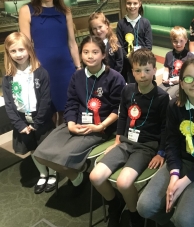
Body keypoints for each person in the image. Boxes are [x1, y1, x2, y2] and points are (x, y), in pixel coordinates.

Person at [137, 58, 194, 227]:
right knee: (144, 207)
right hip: (180, 161)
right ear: (181, 83)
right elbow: (171, 142)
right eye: (188, 78)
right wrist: (174, 175)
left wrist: (185, 180)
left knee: (185, 219)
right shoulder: (175, 105)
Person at [33, 36, 125, 195]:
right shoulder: (77, 76)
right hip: (76, 122)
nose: (90, 56)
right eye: (86, 52)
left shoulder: (115, 78)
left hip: (101, 127)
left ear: (103, 55)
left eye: (95, 52)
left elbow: (120, 108)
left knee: (63, 158)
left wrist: (101, 125)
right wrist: (70, 123)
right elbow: (72, 102)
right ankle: (78, 177)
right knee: (40, 154)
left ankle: (77, 173)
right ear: (80, 54)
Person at [90, 48, 169, 227]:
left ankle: (134, 213)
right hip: (125, 143)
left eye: (147, 70)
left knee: (124, 183)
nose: (143, 75)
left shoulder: (163, 98)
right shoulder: (128, 91)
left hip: (146, 147)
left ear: (155, 70)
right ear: (132, 72)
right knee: (95, 177)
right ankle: (115, 204)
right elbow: (123, 117)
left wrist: (161, 153)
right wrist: (118, 140)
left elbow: (166, 128)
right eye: (138, 71)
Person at [18, 0, 80, 125]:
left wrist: (78, 67)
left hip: (65, 68)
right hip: (42, 68)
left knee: (68, 111)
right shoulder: (26, 10)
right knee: (47, 113)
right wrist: (29, 70)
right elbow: (26, 45)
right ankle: (51, 146)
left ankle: (66, 146)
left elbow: (72, 42)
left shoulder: (65, 11)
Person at [2, 32, 56, 194]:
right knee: (32, 148)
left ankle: (52, 173)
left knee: (46, 147)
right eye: (13, 51)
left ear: (29, 49)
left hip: (41, 119)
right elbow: (9, 104)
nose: (18, 54)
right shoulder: (8, 78)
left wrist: (37, 122)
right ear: (8, 53)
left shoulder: (40, 72)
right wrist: (19, 124)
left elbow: (46, 100)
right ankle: (42, 173)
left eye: (21, 50)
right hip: (22, 121)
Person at [116, 0, 152, 83]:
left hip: (143, 63)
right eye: (129, 3)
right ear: (125, 4)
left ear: (140, 4)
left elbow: (148, 45)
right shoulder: (121, 24)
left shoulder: (145, 23)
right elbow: (120, 46)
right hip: (128, 65)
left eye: (135, 3)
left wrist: (141, 58)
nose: (132, 6)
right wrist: (129, 59)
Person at [160, 26, 194, 99]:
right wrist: (165, 77)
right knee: (157, 92)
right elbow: (167, 68)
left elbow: (191, 74)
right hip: (169, 81)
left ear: (186, 40)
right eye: (175, 41)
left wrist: (179, 79)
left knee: (167, 96)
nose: (178, 44)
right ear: (171, 41)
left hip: (181, 83)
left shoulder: (190, 56)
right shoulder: (169, 54)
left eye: (181, 41)